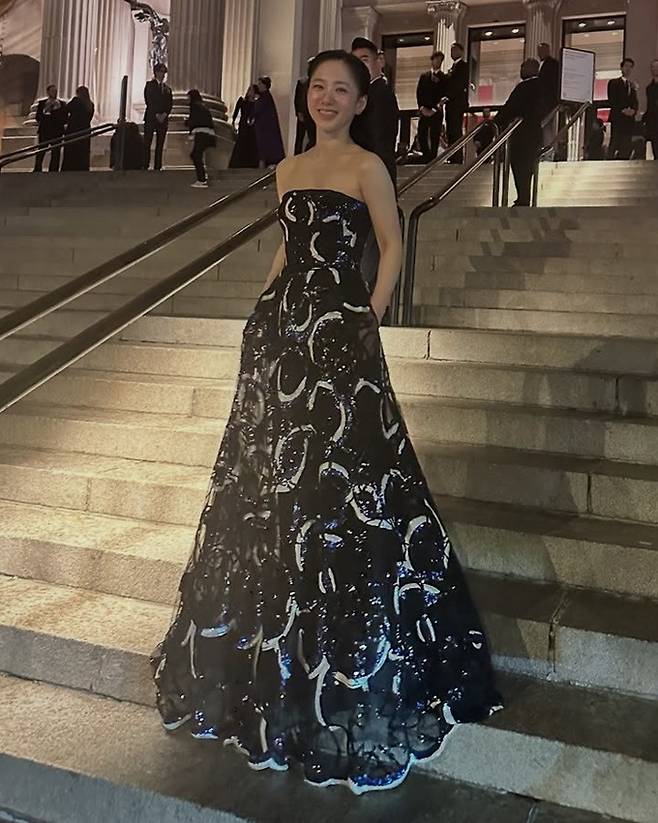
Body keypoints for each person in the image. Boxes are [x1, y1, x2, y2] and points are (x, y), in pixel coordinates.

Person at [151, 47, 502, 795]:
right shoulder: (287, 170)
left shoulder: (369, 166)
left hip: (342, 334)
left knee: (350, 480)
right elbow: (289, 247)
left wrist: (368, 316)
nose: (328, 99)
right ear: (306, 96)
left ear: (360, 100)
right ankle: (272, 650)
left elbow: (392, 243)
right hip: (286, 339)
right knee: (277, 485)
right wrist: (262, 307)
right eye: (318, 87)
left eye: (342, 89)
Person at [494, 58, 544, 207]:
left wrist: (495, 123)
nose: (521, 69)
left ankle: (523, 198)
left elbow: (510, 108)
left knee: (519, 165)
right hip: (535, 133)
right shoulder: (542, 87)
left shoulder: (525, 87)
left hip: (521, 133)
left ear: (533, 69)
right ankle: (524, 197)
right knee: (528, 166)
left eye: (524, 66)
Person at [351, 36, 400, 186]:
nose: (360, 67)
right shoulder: (365, 93)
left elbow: (379, 142)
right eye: (356, 62)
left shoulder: (380, 93)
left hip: (374, 177)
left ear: (380, 61)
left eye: (364, 60)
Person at [416, 51, 446, 163]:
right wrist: (422, 107)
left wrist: (434, 109)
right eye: (436, 60)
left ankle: (433, 157)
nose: (438, 62)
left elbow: (443, 94)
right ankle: (425, 155)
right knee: (422, 133)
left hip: (436, 111)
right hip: (424, 109)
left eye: (440, 61)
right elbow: (419, 93)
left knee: (435, 134)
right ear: (432, 60)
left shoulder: (444, 77)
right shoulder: (424, 76)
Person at [607, 58, 639, 160]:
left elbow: (635, 102)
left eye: (630, 67)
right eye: (626, 66)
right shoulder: (613, 82)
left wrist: (633, 111)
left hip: (629, 121)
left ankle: (624, 160)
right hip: (617, 118)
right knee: (615, 142)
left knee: (626, 144)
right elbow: (612, 100)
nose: (628, 69)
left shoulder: (632, 85)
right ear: (621, 68)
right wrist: (622, 110)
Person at [144, 63, 173, 170]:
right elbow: (149, 100)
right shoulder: (149, 85)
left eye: (164, 72)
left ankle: (158, 165)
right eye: (161, 72)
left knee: (160, 143)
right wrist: (156, 114)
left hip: (163, 119)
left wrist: (164, 114)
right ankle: (145, 164)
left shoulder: (167, 89)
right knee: (147, 141)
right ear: (156, 72)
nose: (163, 74)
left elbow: (170, 104)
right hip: (151, 117)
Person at [185, 89, 216, 188]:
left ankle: (202, 179)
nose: (187, 99)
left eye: (188, 97)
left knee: (195, 155)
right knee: (197, 155)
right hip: (209, 134)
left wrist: (187, 124)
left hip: (201, 133)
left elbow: (194, 120)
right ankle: (203, 175)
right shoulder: (203, 106)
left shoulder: (194, 106)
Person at [443, 42, 469, 163]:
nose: (452, 53)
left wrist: (448, 96)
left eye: (454, 50)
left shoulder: (463, 66)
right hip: (451, 104)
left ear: (461, 51)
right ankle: (452, 155)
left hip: (456, 103)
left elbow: (458, 84)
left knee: (455, 130)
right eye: (451, 51)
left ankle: (457, 156)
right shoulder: (453, 67)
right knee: (450, 130)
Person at [33, 84, 67, 173]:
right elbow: (38, 117)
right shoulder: (42, 103)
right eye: (52, 91)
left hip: (57, 131)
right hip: (45, 131)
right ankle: (37, 169)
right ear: (48, 92)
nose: (54, 93)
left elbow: (64, 119)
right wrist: (46, 110)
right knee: (41, 151)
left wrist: (57, 110)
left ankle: (53, 170)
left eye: (55, 91)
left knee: (56, 152)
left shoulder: (62, 104)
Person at [254, 76, 286, 167]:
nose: (258, 85)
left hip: (265, 129)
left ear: (264, 85)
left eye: (260, 84)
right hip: (264, 127)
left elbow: (258, 110)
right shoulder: (266, 97)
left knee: (264, 147)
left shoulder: (265, 97)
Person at [61, 86, 95, 171]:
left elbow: (66, 110)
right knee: (83, 152)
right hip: (85, 130)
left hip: (73, 130)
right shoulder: (90, 105)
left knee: (71, 152)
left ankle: (69, 168)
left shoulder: (76, 101)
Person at [537, 42, 560, 158]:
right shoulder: (547, 64)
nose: (539, 53)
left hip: (548, 103)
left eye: (541, 50)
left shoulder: (552, 65)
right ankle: (548, 152)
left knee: (547, 127)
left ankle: (549, 153)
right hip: (546, 103)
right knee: (546, 127)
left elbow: (550, 85)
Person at [228, 85, 260, 168]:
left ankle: (250, 163)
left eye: (251, 90)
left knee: (250, 143)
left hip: (251, 126)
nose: (249, 91)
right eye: (249, 89)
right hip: (243, 124)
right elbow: (236, 112)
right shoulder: (242, 101)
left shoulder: (256, 103)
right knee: (241, 142)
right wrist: (233, 123)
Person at [293, 65, 316, 154]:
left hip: (312, 113)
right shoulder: (302, 82)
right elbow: (297, 99)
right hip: (303, 112)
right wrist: (299, 112)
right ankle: (297, 155)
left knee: (312, 136)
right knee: (300, 136)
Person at [643, 58, 658, 160]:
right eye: (653, 67)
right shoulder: (649, 88)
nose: (655, 69)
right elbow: (650, 106)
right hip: (653, 124)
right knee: (655, 151)